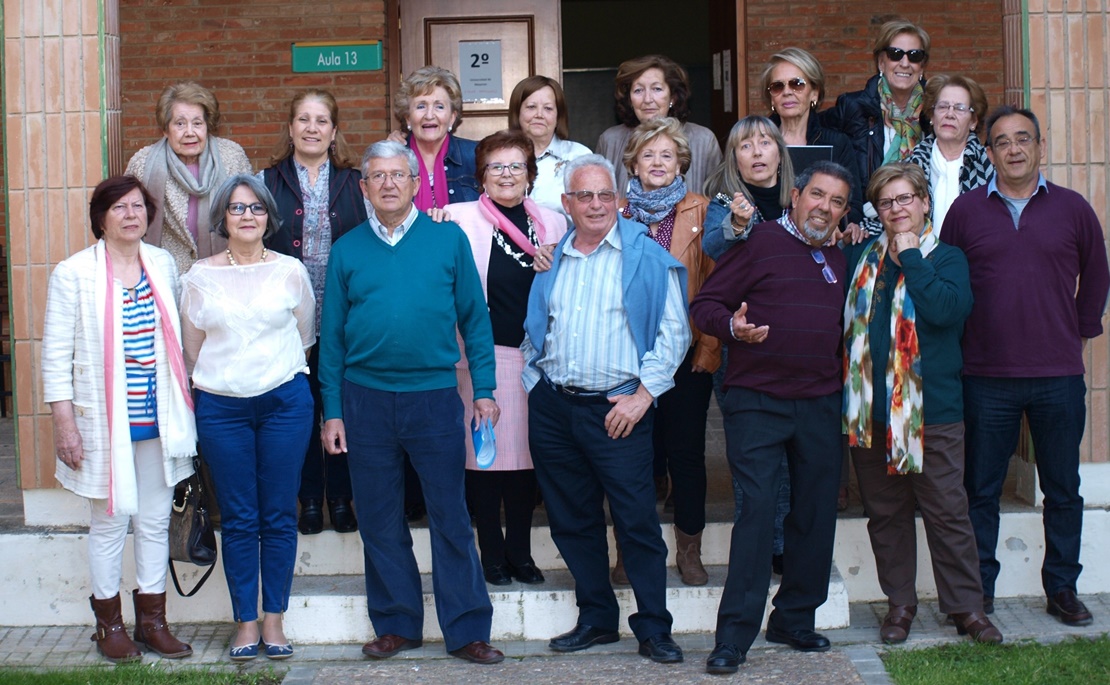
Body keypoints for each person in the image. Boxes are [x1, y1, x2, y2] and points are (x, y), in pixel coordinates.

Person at [319, 140, 505, 665]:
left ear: (415, 182)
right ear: (364, 187)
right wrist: (332, 410)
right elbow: (331, 340)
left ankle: (467, 629)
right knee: (379, 519)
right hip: (365, 401)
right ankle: (397, 623)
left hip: (433, 398)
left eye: (397, 175)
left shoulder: (447, 242)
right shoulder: (347, 250)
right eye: (377, 176)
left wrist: (485, 390)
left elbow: (476, 321)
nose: (388, 184)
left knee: (449, 514)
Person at [944, 106, 1110, 627]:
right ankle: (979, 593)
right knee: (981, 490)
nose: (1013, 149)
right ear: (987, 152)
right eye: (1001, 142)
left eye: (1023, 139)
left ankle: (1062, 587)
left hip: (1057, 375)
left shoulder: (1073, 208)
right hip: (985, 376)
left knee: (1062, 487)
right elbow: (949, 285)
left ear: (1040, 146)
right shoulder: (966, 212)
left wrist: (1078, 331)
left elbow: (1098, 274)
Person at [522, 154, 691, 664]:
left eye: (604, 195)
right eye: (584, 196)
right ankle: (597, 619)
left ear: (619, 200)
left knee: (636, 522)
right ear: (568, 204)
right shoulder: (554, 259)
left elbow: (674, 334)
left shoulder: (645, 257)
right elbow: (536, 328)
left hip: (619, 411)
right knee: (572, 520)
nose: (596, 205)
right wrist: (536, 385)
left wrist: (643, 397)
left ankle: (654, 628)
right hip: (556, 408)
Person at [690, 161, 854, 674]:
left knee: (814, 511)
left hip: (820, 401)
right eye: (817, 196)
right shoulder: (759, 242)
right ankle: (734, 637)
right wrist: (734, 330)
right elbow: (706, 304)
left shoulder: (838, 255)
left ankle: (795, 620)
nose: (824, 208)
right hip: (757, 400)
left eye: (836, 202)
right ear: (796, 196)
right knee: (758, 512)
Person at [844, 163, 1001, 645]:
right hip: (872, 415)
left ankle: (966, 610)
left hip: (934, 413)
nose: (897, 209)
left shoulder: (947, 257)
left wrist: (912, 256)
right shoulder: (861, 260)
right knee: (886, 515)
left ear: (925, 202)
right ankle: (900, 606)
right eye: (886, 202)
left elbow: (945, 311)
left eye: (905, 198)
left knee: (948, 513)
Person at [42, 175, 196, 663]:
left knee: (152, 522)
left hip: (158, 418)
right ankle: (109, 625)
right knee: (109, 523)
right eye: (119, 208)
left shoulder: (163, 263)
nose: (131, 215)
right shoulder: (74, 273)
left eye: (138, 207)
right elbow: (55, 357)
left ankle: (153, 623)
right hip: (102, 422)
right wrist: (64, 424)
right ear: (101, 218)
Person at [180, 175, 315, 662]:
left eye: (256, 209)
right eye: (237, 209)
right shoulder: (197, 277)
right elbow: (192, 352)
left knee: (279, 514)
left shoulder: (291, 272)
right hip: (222, 408)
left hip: (284, 403)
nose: (247, 216)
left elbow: (304, 336)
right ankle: (245, 623)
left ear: (269, 219)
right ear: (223, 218)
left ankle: (274, 619)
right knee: (238, 518)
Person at [447, 129, 568, 585]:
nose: (506, 174)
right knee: (483, 461)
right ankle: (491, 554)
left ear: (531, 175)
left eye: (516, 165)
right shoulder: (457, 218)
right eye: (496, 166)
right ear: (481, 176)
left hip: (536, 358)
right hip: (479, 357)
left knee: (525, 463)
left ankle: (521, 551)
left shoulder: (554, 224)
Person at [260, 89, 367, 536]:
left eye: (321, 120)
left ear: (334, 130)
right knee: (301, 411)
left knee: (340, 408)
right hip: (286, 321)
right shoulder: (265, 180)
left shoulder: (354, 180)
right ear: (290, 128)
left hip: (343, 316)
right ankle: (308, 499)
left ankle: (340, 498)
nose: (311, 128)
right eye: (303, 119)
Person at [618, 117, 719, 586]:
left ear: (681, 161)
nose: (657, 163)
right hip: (625, 359)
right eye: (647, 155)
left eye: (666, 155)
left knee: (685, 455)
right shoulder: (616, 214)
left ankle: (689, 549)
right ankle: (630, 550)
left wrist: (708, 352)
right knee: (631, 458)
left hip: (686, 357)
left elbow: (718, 285)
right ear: (632, 164)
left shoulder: (703, 212)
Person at [701, 115, 795, 572]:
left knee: (795, 452)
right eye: (745, 146)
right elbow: (715, 246)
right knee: (751, 455)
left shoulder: (803, 198)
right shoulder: (722, 202)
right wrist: (740, 224)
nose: (757, 152)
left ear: (780, 151)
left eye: (765, 143)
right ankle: (763, 545)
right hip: (741, 345)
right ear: (733, 157)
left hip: (798, 345)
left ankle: (790, 541)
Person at [125, 81, 253, 275]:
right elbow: (127, 220)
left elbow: (254, 215)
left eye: (197, 123)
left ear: (207, 126)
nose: (190, 132)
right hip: (164, 274)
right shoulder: (143, 164)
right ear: (165, 129)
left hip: (225, 272)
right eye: (180, 123)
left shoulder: (233, 157)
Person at [819, 20, 932, 199]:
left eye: (914, 55)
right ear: (881, 62)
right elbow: (808, 127)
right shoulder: (853, 107)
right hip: (867, 220)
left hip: (924, 220)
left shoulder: (936, 111)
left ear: (922, 67)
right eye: (895, 54)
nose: (905, 63)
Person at [596, 55, 722, 198]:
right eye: (638, 90)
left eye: (656, 89)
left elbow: (720, 202)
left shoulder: (703, 140)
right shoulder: (610, 140)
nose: (648, 99)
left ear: (673, 97)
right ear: (630, 100)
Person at [761, 47, 863, 222]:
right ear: (771, 98)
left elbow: (853, 207)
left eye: (797, 84)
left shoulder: (837, 143)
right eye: (777, 86)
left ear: (814, 92)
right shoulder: (755, 142)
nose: (787, 92)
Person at [903, 74, 993, 234]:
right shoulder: (909, 168)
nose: (950, 114)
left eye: (959, 108)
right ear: (932, 116)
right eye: (943, 106)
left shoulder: (989, 169)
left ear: (973, 121)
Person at [391, 65, 480, 211]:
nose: (429, 115)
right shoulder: (391, 158)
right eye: (421, 106)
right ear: (407, 118)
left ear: (452, 117)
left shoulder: (476, 155)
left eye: (439, 106)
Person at [508, 75, 592, 215]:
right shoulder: (500, 156)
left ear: (558, 116)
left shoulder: (580, 157)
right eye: (531, 107)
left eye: (548, 108)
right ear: (517, 113)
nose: (539, 114)